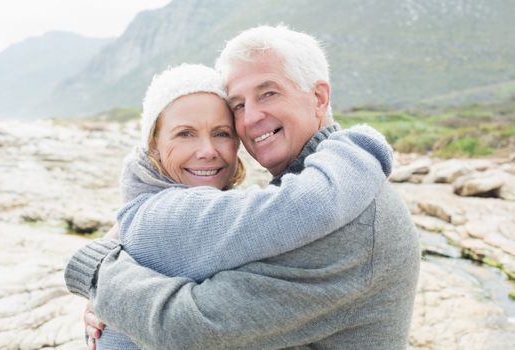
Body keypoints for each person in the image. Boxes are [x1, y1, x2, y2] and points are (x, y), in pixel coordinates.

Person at [66, 25, 420, 350]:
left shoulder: (345, 215)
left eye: (268, 93)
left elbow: (191, 327)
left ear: (319, 98)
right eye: (238, 105)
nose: (250, 118)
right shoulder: (304, 191)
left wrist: (99, 272)